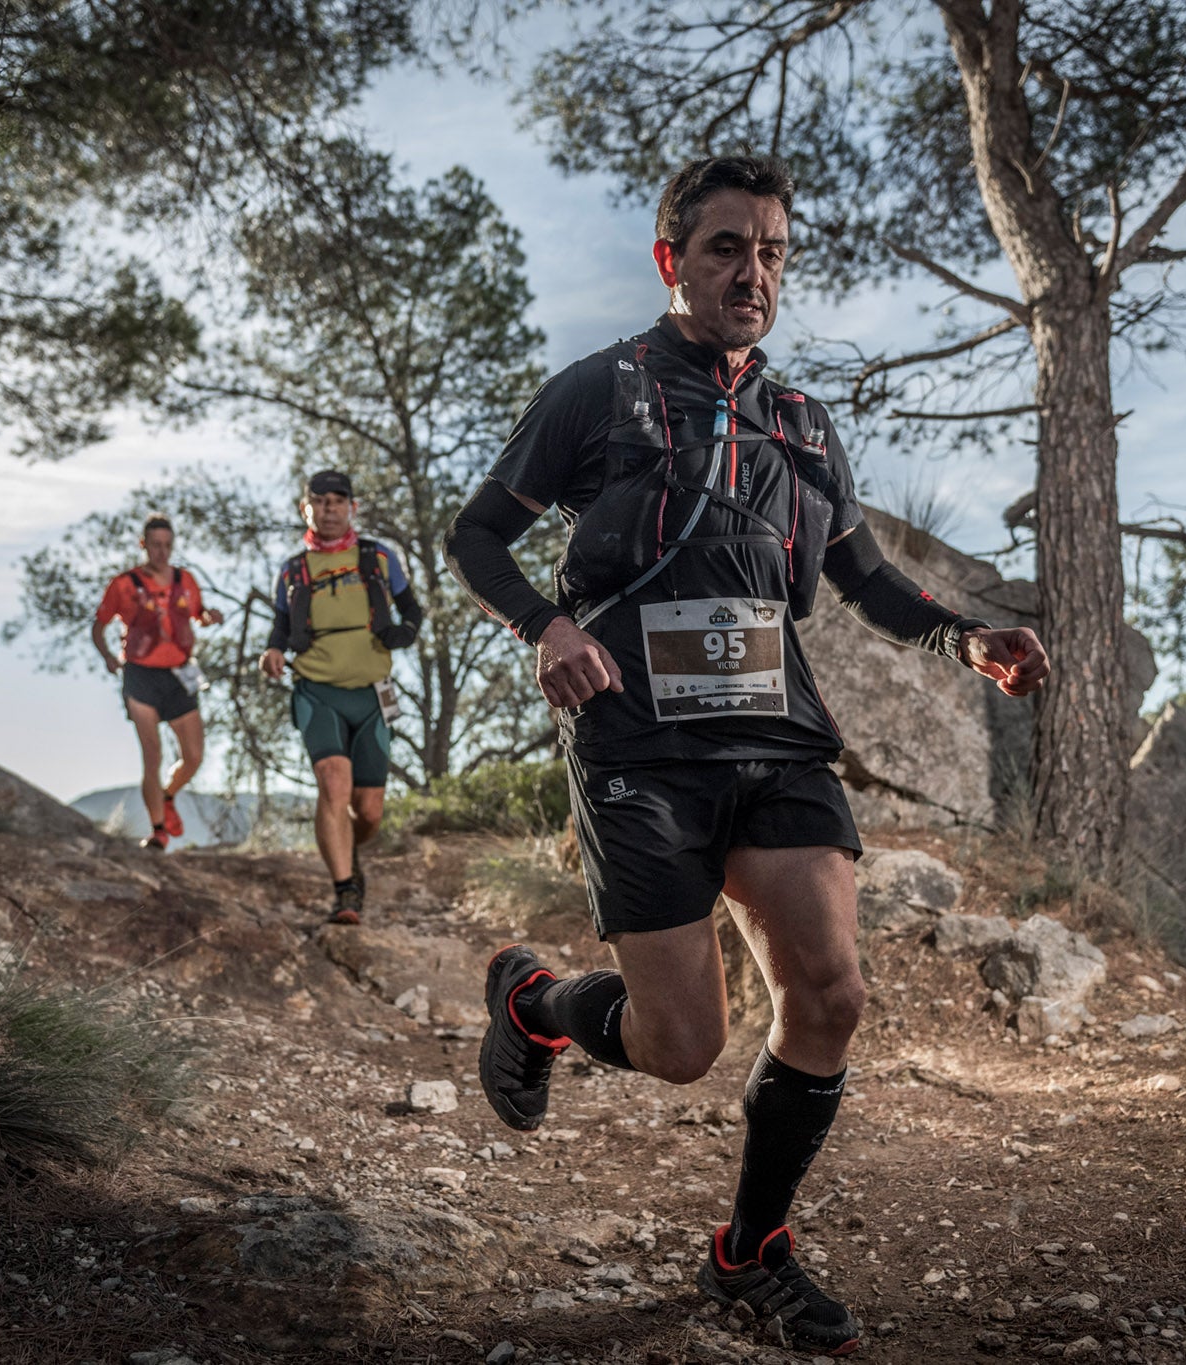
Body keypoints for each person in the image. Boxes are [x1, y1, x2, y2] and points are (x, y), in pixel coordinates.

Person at [443, 155, 1050, 1355]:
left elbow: (864, 581)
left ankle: (749, 1251)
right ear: (672, 261)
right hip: (637, 746)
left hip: (774, 738)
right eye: (725, 248)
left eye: (770, 251)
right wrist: (546, 626)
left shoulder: (801, 424)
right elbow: (476, 536)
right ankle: (535, 1001)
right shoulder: (596, 393)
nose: (751, 272)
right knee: (682, 1048)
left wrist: (963, 636)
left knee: (828, 994)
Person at [260, 470, 426, 924]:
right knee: (333, 784)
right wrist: (273, 649)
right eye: (321, 500)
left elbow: (412, 608)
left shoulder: (378, 558)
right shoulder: (293, 570)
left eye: (339, 500)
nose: (330, 508)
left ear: (351, 507)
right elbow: (279, 623)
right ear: (305, 508)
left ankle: (347, 849)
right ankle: (345, 891)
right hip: (317, 689)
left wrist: (405, 632)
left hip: (373, 694)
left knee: (369, 810)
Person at [92, 514, 224, 850]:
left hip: (180, 675)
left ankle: (168, 795)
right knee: (152, 754)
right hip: (140, 676)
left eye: (167, 545)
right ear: (144, 545)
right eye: (155, 545)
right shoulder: (124, 584)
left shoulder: (185, 581)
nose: (162, 552)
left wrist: (210, 618)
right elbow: (99, 625)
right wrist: (108, 656)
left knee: (193, 756)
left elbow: (198, 614)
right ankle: (158, 831)